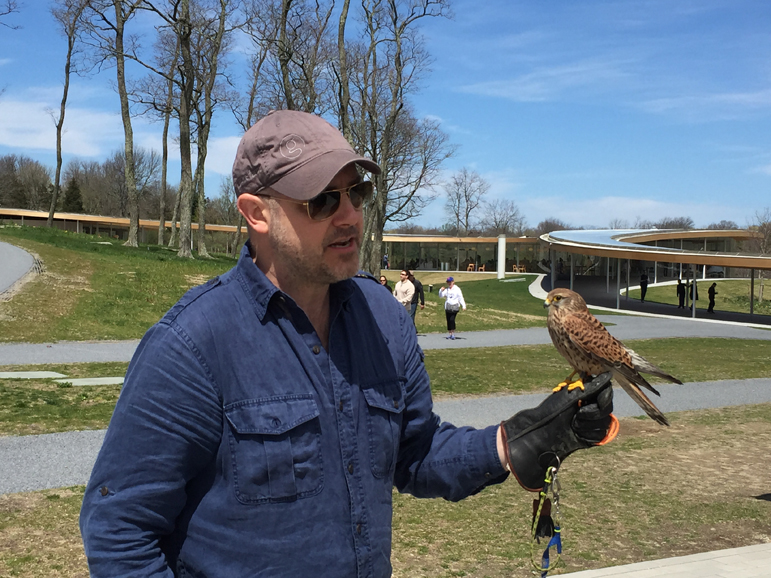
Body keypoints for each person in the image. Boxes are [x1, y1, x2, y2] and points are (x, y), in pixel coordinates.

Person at [79, 109, 614, 578]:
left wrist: (515, 442)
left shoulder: (386, 318)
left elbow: (415, 452)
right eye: (321, 200)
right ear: (255, 212)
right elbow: (118, 527)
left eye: (356, 192)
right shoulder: (191, 345)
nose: (350, 215)